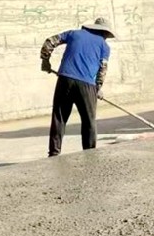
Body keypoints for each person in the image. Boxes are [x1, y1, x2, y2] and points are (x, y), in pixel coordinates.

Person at [40, 17, 115, 157]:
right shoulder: (104, 47)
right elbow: (102, 69)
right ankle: (90, 154)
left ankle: (54, 153)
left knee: (59, 117)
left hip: (65, 80)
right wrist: (98, 87)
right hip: (86, 85)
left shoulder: (73, 34)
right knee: (89, 121)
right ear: (104, 33)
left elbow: (49, 42)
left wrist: (45, 61)